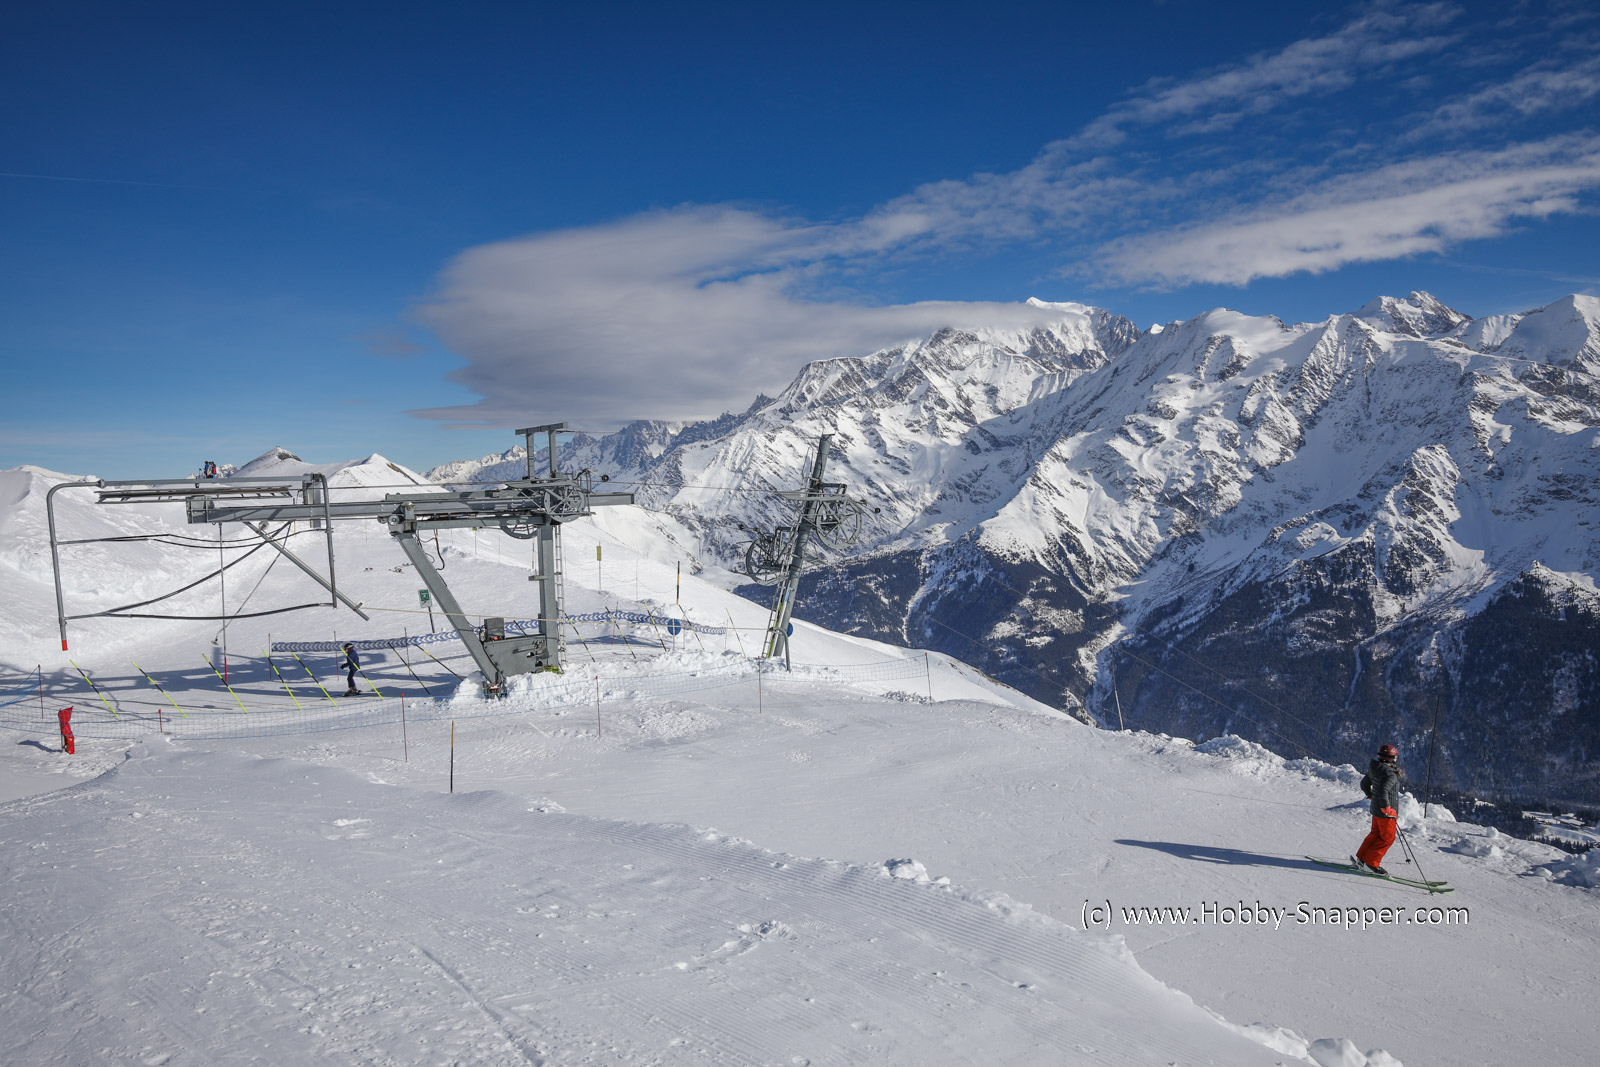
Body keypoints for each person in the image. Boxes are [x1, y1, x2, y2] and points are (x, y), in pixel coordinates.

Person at [1354, 743, 1402, 874]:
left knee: (1375, 835)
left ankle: (1362, 859)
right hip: (1386, 813)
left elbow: (1364, 784)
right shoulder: (1390, 774)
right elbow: (1383, 791)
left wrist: (1370, 795)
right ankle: (1371, 864)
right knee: (1387, 838)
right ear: (1393, 759)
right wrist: (1387, 808)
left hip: (1376, 810)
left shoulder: (1375, 769)